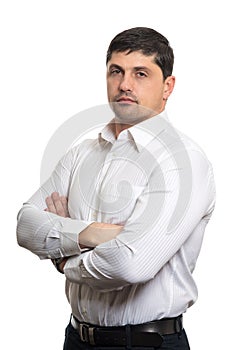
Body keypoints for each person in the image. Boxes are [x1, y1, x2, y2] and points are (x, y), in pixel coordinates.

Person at [17, 27, 216, 349]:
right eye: (116, 71)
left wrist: (63, 257)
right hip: (76, 339)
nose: (125, 84)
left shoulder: (183, 161)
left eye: (141, 73)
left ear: (168, 86)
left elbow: (130, 265)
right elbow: (25, 225)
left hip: (146, 342)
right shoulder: (81, 153)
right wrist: (92, 234)